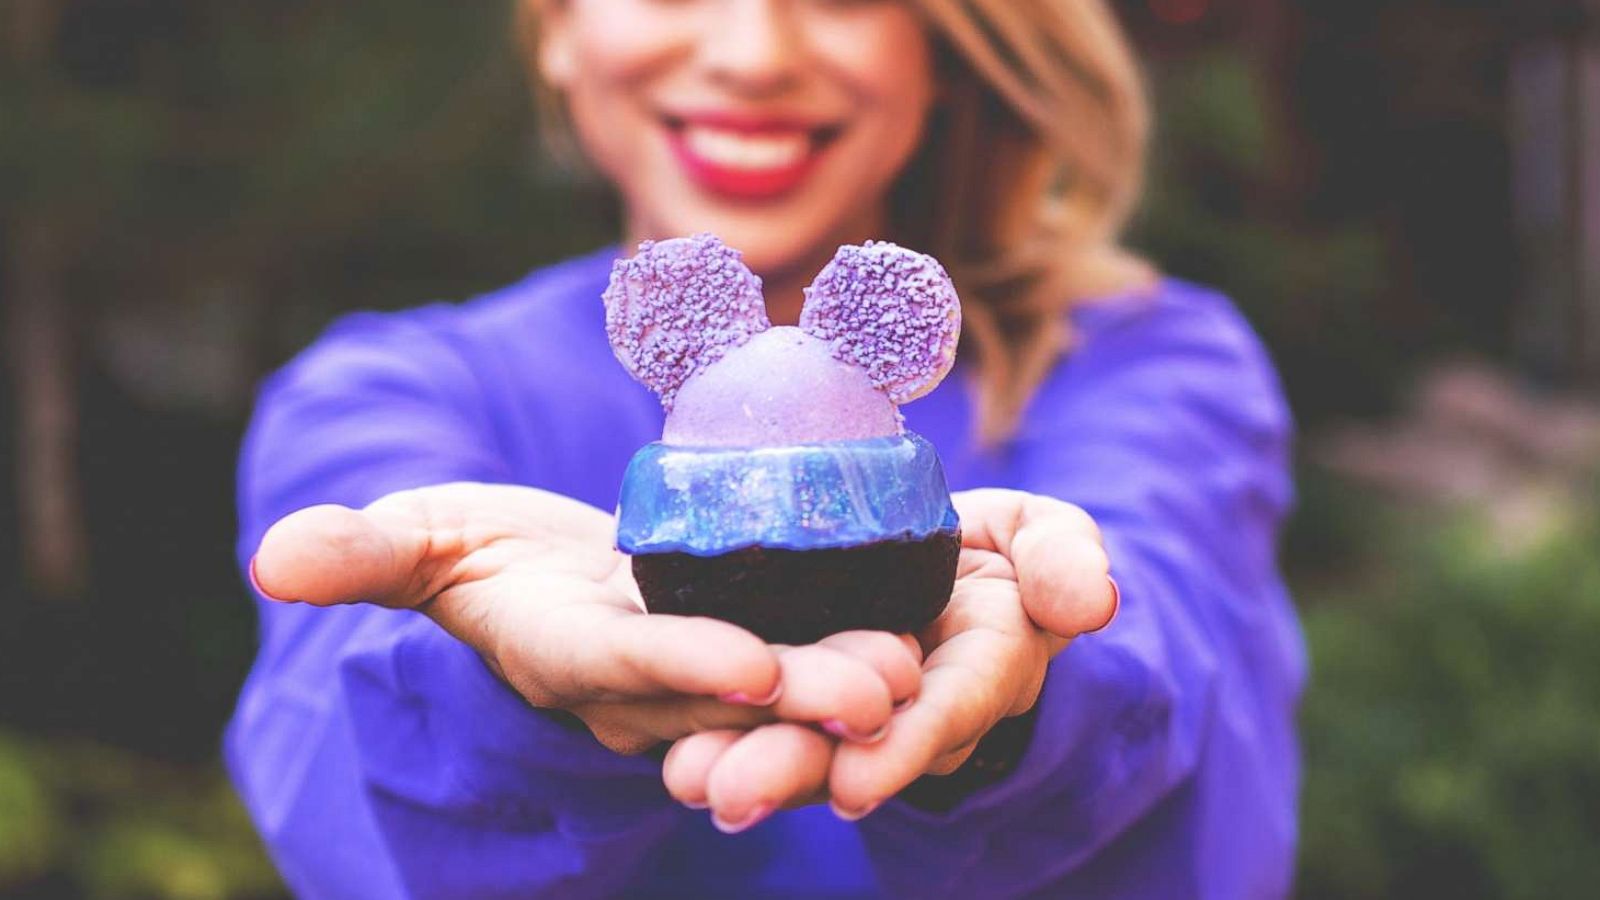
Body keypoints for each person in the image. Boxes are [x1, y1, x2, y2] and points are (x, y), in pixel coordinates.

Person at [231, 0, 1306, 896]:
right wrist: (509, 688)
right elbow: (332, 740)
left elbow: (1175, 635)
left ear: (943, 41)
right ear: (557, 25)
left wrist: (1027, 712)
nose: (753, 55)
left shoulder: (1148, 363)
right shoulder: (386, 392)